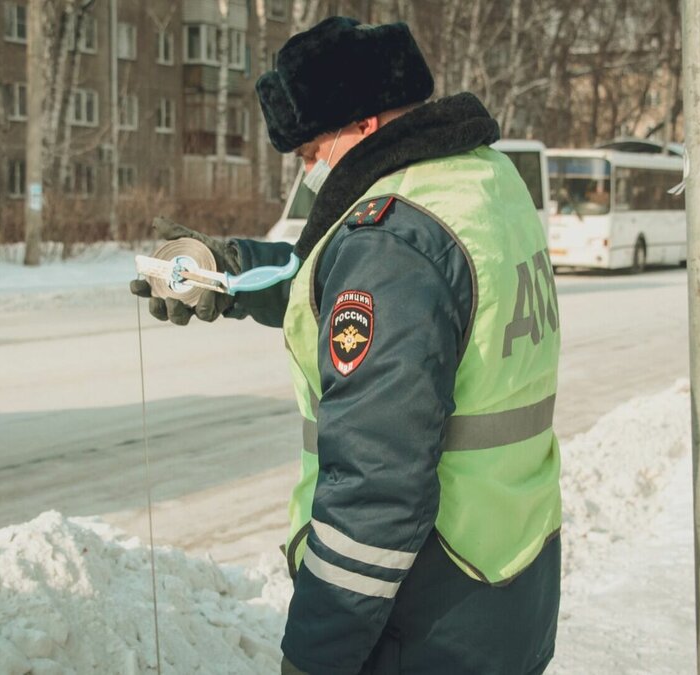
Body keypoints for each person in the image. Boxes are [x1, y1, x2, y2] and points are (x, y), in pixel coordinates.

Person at [131, 17, 562, 675]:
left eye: (311, 151)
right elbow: (367, 273)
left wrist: (313, 654)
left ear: (363, 125)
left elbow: (373, 488)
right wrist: (229, 270)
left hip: (423, 618)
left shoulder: (391, 240)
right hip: (503, 576)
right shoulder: (483, 181)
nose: (309, 171)